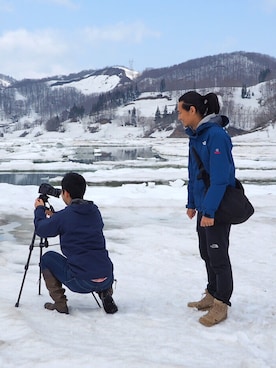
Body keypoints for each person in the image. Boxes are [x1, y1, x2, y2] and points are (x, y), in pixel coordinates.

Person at [178, 91, 236, 327]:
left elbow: (221, 179)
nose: (179, 116)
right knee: (206, 252)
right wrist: (192, 203)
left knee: (218, 256)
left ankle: (221, 304)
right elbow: (195, 175)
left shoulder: (215, 136)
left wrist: (210, 212)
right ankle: (212, 293)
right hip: (204, 206)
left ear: (193, 110)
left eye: (181, 111)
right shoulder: (196, 136)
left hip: (217, 208)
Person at [34, 172, 118, 315]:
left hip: (81, 281)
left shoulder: (64, 217)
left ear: (66, 193)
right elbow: (76, 220)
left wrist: (39, 210)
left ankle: (60, 304)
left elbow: (41, 230)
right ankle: (106, 294)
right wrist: (56, 217)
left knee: (47, 259)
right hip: (107, 277)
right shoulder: (94, 211)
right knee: (95, 259)